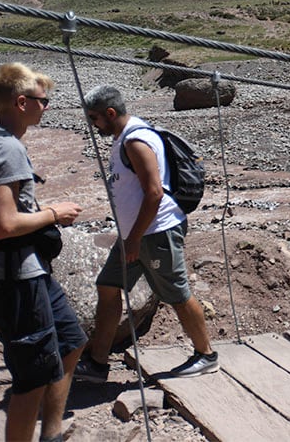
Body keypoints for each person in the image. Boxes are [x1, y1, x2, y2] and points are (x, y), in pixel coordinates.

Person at [0, 63, 85, 442]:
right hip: (14, 279)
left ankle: (51, 433)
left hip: (24, 270)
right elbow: (3, 224)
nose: (46, 107)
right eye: (43, 101)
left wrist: (37, 214)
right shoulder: (7, 148)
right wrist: (54, 214)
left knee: (71, 340)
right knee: (31, 378)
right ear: (22, 102)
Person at [75, 85, 218, 381]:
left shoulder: (136, 141)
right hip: (135, 234)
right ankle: (98, 363)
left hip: (155, 232)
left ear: (110, 113)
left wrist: (135, 238)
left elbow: (154, 193)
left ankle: (206, 355)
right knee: (108, 286)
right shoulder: (123, 139)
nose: (93, 125)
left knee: (176, 293)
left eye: (94, 118)